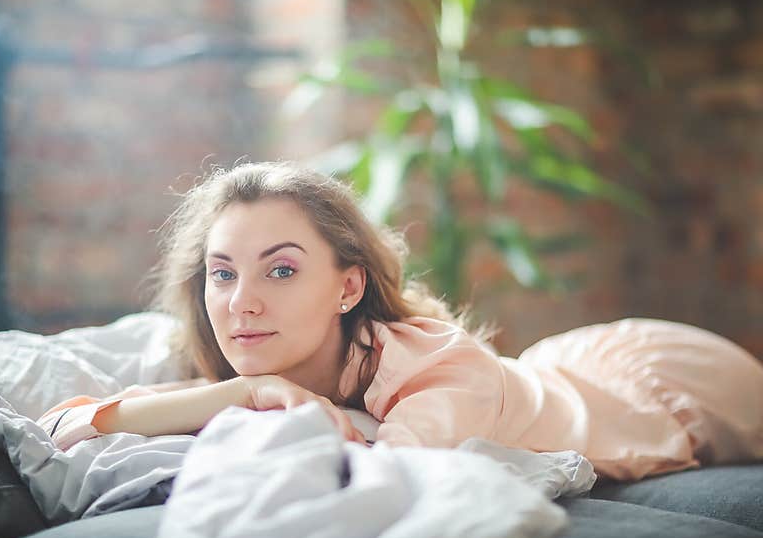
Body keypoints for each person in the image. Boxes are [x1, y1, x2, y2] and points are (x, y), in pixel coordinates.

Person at [37, 161, 763, 481]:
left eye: (281, 269)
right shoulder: (263, 364)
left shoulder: (438, 376)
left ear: (349, 285)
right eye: (223, 273)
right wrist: (235, 391)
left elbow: (375, 480)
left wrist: (241, 396)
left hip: (662, 380)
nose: (239, 301)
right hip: (548, 367)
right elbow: (68, 426)